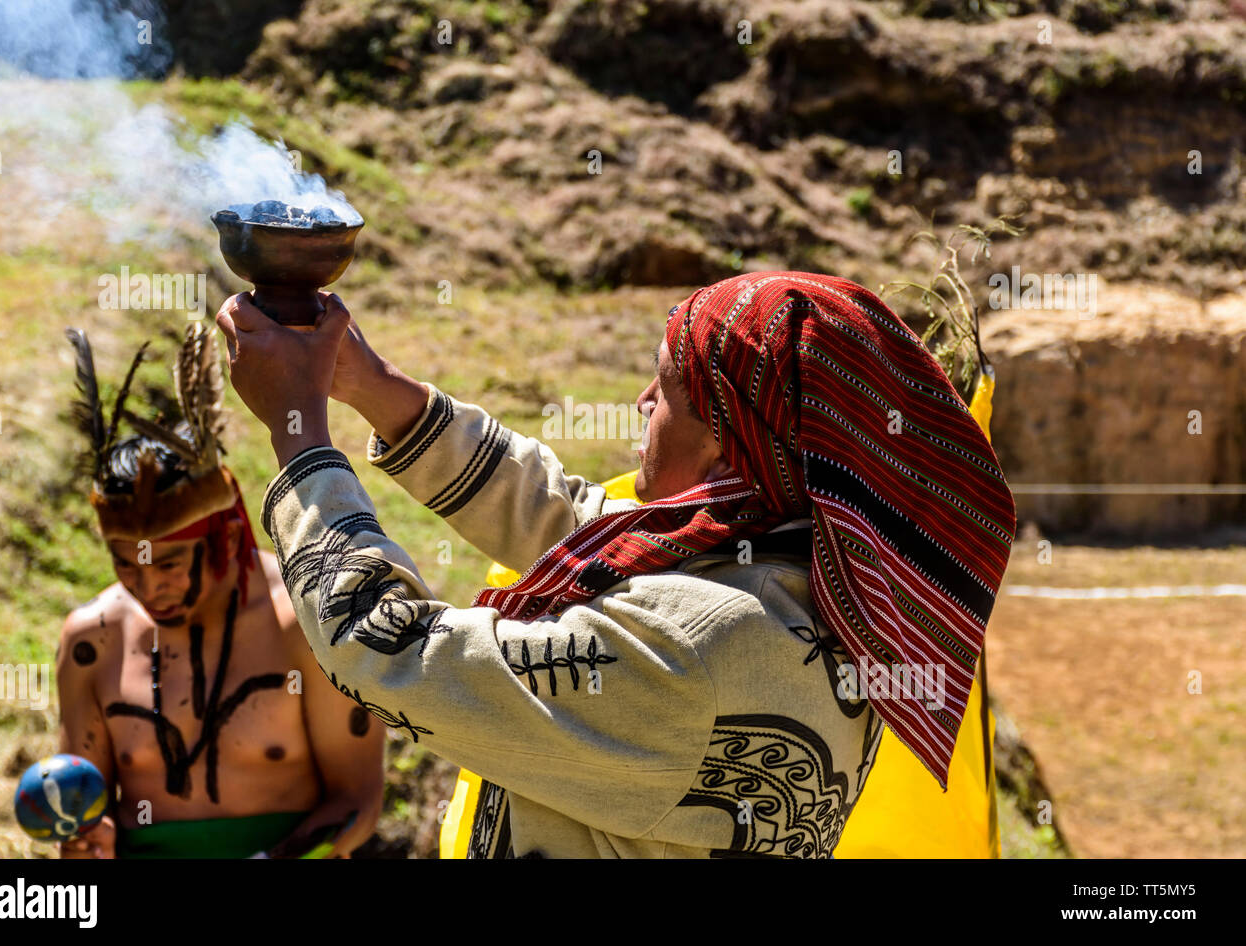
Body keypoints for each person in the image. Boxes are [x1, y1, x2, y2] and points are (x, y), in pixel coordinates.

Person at [216, 271, 1017, 858]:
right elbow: (570, 520)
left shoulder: (701, 644)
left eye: (665, 388)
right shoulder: (801, 566)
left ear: (728, 439)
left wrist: (299, 436)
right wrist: (372, 386)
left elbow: (387, 649)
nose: (640, 402)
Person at [56, 325, 386, 859]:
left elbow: (357, 800)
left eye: (168, 563)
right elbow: (81, 807)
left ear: (227, 536)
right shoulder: (92, 642)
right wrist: (92, 840)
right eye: (125, 564)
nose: (145, 585)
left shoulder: (305, 622)